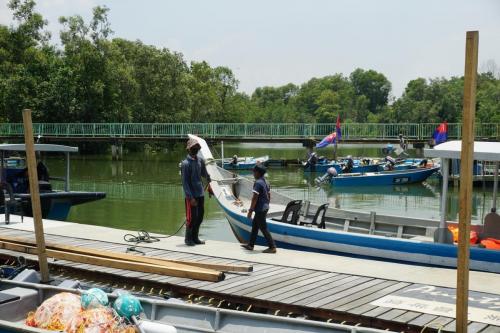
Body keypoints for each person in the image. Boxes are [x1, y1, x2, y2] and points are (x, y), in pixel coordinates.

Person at [181, 137, 211, 246]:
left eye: (197, 148)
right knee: (191, 218)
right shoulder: (185, 164)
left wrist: (208, 177)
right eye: (193, 148)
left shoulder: (200, 161)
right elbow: (185, 183)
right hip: (191, 196)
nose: (195, 149)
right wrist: (190, 198)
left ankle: (195, 237)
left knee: (200, 217)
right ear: (189, 149)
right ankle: (188, 239)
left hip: (200, 193)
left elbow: (203, 173)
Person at [241, 164, 276, 253]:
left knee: (263, 228)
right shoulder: (266, 182)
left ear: (258, 173)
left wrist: (250, 211)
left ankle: (272, 247)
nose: (253, 173)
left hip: (260, 209)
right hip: (264, 207)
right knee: (255, 226)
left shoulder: (258, 183)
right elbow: (269, 195)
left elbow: (254, 198)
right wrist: (266, 204)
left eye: (254, 172)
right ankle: (250, 245)